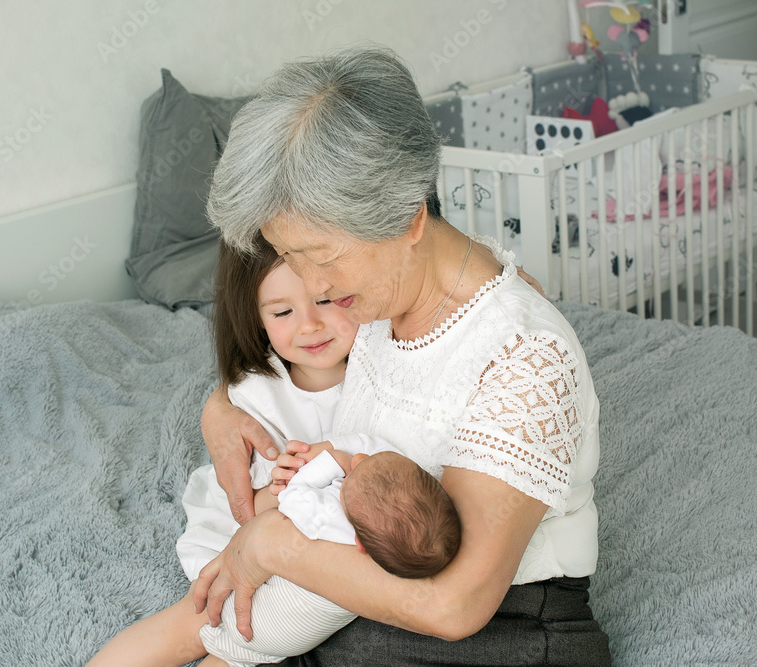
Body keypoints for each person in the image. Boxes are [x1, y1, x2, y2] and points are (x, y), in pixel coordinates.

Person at [194, 46, 611, 666]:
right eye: (290, 257)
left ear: (409, 219)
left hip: (502, 630)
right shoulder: (375, 297)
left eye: (320, 255)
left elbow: (456, 606)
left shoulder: (526, 357)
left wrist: (272, 549)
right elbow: (297, 368)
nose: (309, 287)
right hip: (369, 583)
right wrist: (220, 407)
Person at [86, 239, 461, 667]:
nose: (310, 325)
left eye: (327, 300)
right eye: (283, 312)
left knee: (239, 649)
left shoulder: (386, 363)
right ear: (257, 319)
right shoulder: (259, 400)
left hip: (326, 569)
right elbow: (249, 511)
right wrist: (280, 487)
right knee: (197, 621)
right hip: (249, 532)